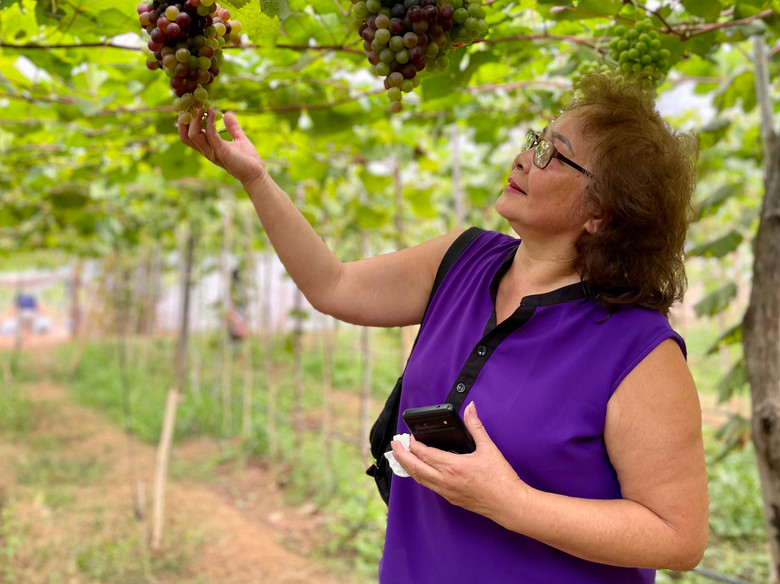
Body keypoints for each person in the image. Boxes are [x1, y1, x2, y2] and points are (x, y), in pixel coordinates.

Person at [180, 72, 709, 583]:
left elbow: (678, 536)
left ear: (602, 212)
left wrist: (512, 503)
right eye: (534, 139)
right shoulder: (463, 260)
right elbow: (333, 286)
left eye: (552, 153)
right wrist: (256, 178)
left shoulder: (638, 349)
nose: (524, 157)